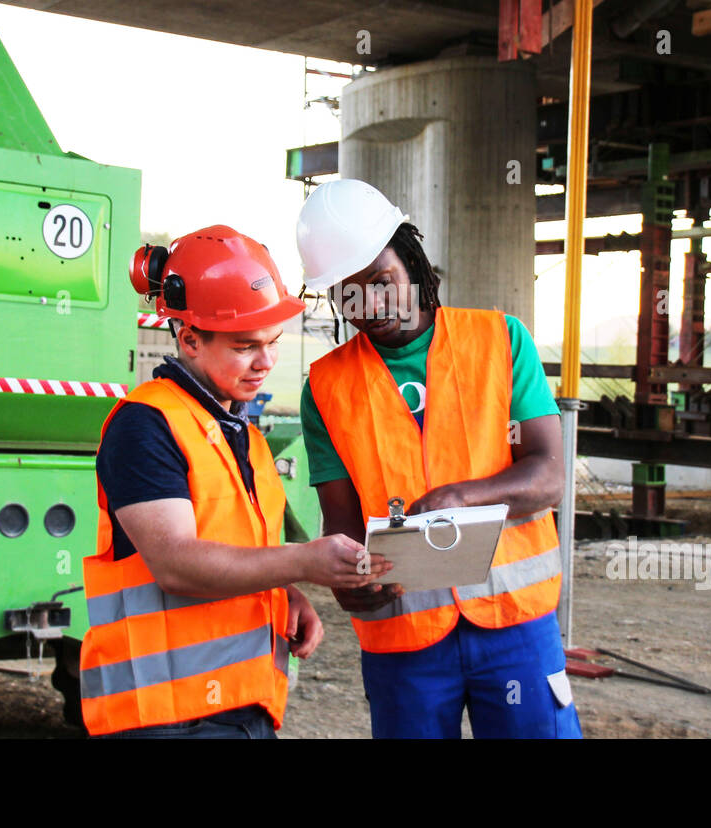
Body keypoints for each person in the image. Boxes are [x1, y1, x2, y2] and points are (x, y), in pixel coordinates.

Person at [296, 180, 583, 739]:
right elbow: (341, 516)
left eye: (382, 282)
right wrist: (348, 582)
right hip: (401, 638)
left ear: (412, 262)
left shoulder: (501, 341)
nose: (371, 307)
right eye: (348, 294)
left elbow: (548, 475)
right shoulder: (326, 386)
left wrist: (462, 497)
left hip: (515, 626)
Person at [80, 224, 390, 739]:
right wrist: (306, 561)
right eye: (246, 346)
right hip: (163, 718)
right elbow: (176, 564)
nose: (266, 362)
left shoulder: (239, 434)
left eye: (271, 343)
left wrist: (282, 591)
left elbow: (233, 549)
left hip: (239, 711)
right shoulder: (145, 425)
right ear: (190, 339)